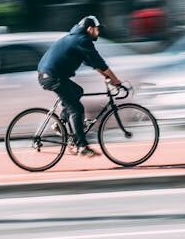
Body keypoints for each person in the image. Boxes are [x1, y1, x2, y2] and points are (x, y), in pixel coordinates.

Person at [37, 15, 122, 157]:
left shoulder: (76, 38)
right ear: (89, 29)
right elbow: (99, 62)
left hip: (50, 75)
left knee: (77, 91)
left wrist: (108, 76)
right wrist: (116, 80)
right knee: (77, 108)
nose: (99, 32)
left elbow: (93, 64)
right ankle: (82, 146)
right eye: (97, 29)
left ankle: (61, 123)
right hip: (52, 77)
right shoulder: (82, 40)